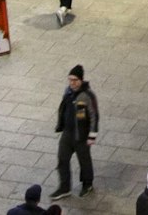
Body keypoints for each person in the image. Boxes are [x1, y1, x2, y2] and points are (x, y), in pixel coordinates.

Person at [51, 64, 100, 199]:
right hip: (67, 133)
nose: (72, 83)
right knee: (62, 158)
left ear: (81, 80)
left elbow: (94, 116)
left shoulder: (87, 96)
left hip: (81, 136)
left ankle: (87, 184)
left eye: (75, 80)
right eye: (70, 79)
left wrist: (92, 135)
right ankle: (64, 187)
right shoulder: (68, 91)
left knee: (84, 161)